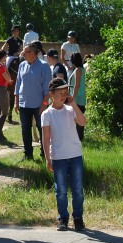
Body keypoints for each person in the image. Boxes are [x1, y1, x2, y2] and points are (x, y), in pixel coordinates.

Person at [41, 78, 87, 231]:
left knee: (78, 190)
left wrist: (73, 104)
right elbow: (46, 138)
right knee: (60, 191)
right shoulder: (47, 114)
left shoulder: (70, 109)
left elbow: (82, 122)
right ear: (51, 94)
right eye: (60, 93)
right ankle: (63, 218)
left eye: (65, 92)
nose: (63, 95)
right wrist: (48, 158)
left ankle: (78, 218)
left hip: (75, 155)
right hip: (58, 157)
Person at [14, 42, 52, 160]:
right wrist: (16, 101)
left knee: (42, 129)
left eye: (24, 52)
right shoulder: (22, 65)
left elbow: (48, 88)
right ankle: (28, 154)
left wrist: (44, 104)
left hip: (39, 105)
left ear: (32, 53)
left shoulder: (44, 66)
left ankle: (44, 154)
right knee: (25, 129)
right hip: (24, 103)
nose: (23, 54)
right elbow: (18, 84)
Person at [68, 52, 87, 142]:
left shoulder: (78, 70)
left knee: (78, 119)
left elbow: (77, 84)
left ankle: (79, 138)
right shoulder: (81, 69)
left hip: (77, 99)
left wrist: (73, 98)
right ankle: (79, 137)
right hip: (80, 98)